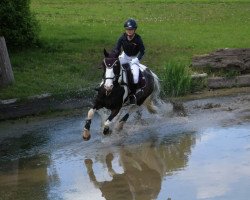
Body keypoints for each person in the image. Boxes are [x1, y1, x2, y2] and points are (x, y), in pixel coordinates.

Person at [113, 18, 145, 105]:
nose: (129, 31)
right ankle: (110, 87)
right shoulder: (122, 38)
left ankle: (132, 95)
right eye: (128, 29)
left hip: (134, 58)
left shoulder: (138, 39)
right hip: (124, 56)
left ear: (134, 30)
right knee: (114, 67)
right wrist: (115, 55)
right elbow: (117, 49)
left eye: (131, 30)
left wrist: (137, 59)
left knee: (135, 77)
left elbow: (142, 51)